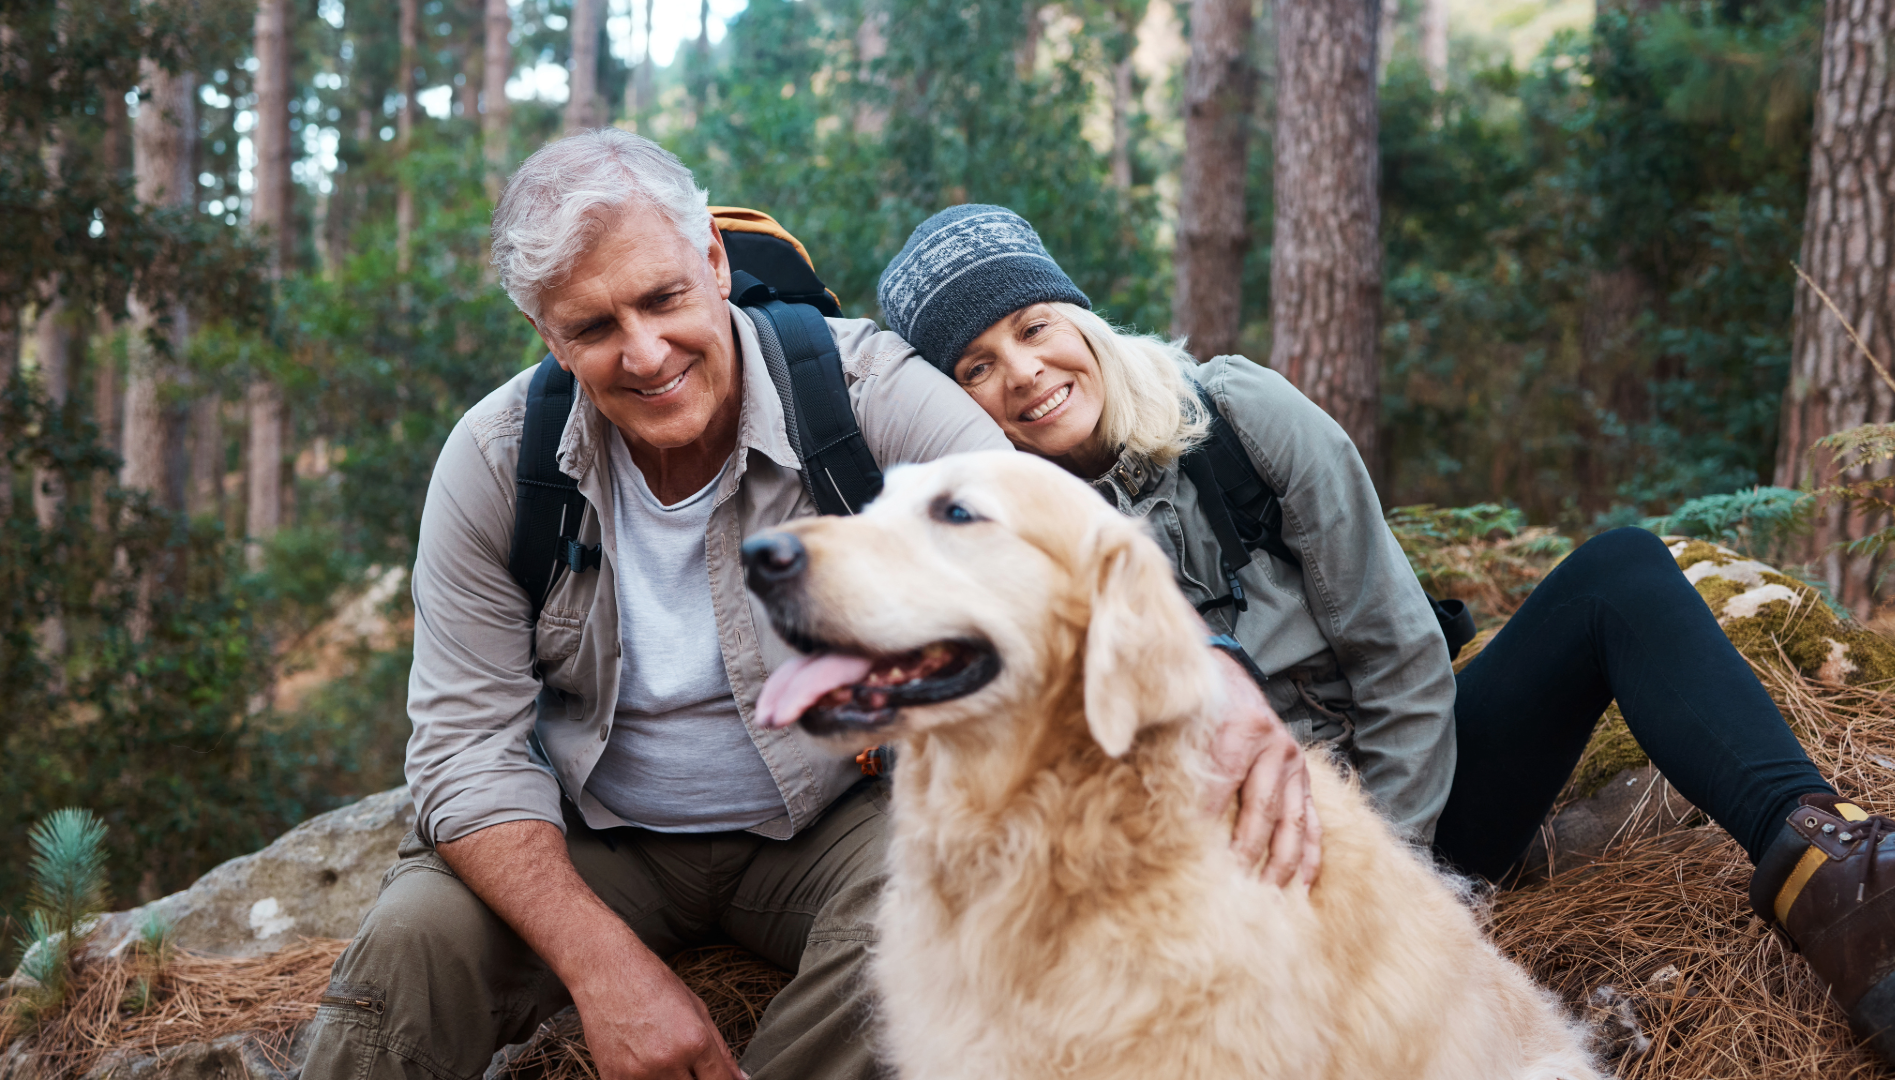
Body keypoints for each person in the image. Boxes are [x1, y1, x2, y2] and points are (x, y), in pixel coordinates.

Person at [303, 134, 1316, 1080]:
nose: (647, 352)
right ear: (546, 336)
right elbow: (461, 750)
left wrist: (1212, 661)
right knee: (413, 942)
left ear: (711, 256)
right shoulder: (495, 463)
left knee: (951, 903)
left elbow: (1053, 541)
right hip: (594, 834)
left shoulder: (865, 391)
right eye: (595, 327)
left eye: (662, 297)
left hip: (841, 816)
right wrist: (606, 968)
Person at [877, 203, 1895, 1067]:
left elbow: (1398, 649)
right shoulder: (1005, 550)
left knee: (1620, 574)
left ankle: (1834, 871)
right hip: (1223, 878)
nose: (1021, 370)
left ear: (1082, 318)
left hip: (1414, 803)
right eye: (974, 366)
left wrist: (1409, 881)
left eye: (1032, 325)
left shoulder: (1236, 417)